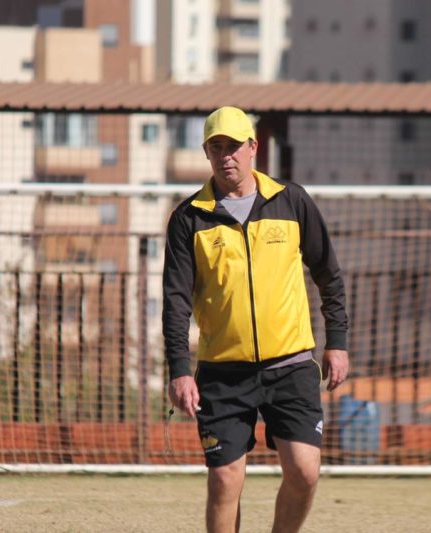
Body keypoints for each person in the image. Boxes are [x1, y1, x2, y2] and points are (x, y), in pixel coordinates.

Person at [163, 106, 349, 533]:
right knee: (225, 480)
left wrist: (337, 342)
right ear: (206, 153)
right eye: (216, 147)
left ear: (253, 147)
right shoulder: (189, 218)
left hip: (292, 366)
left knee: (304, 471)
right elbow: (175, 301)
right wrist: (179, 370)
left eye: (233, 146)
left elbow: (329, 274)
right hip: (222, 373)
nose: (225, 155)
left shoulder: (291, 200)